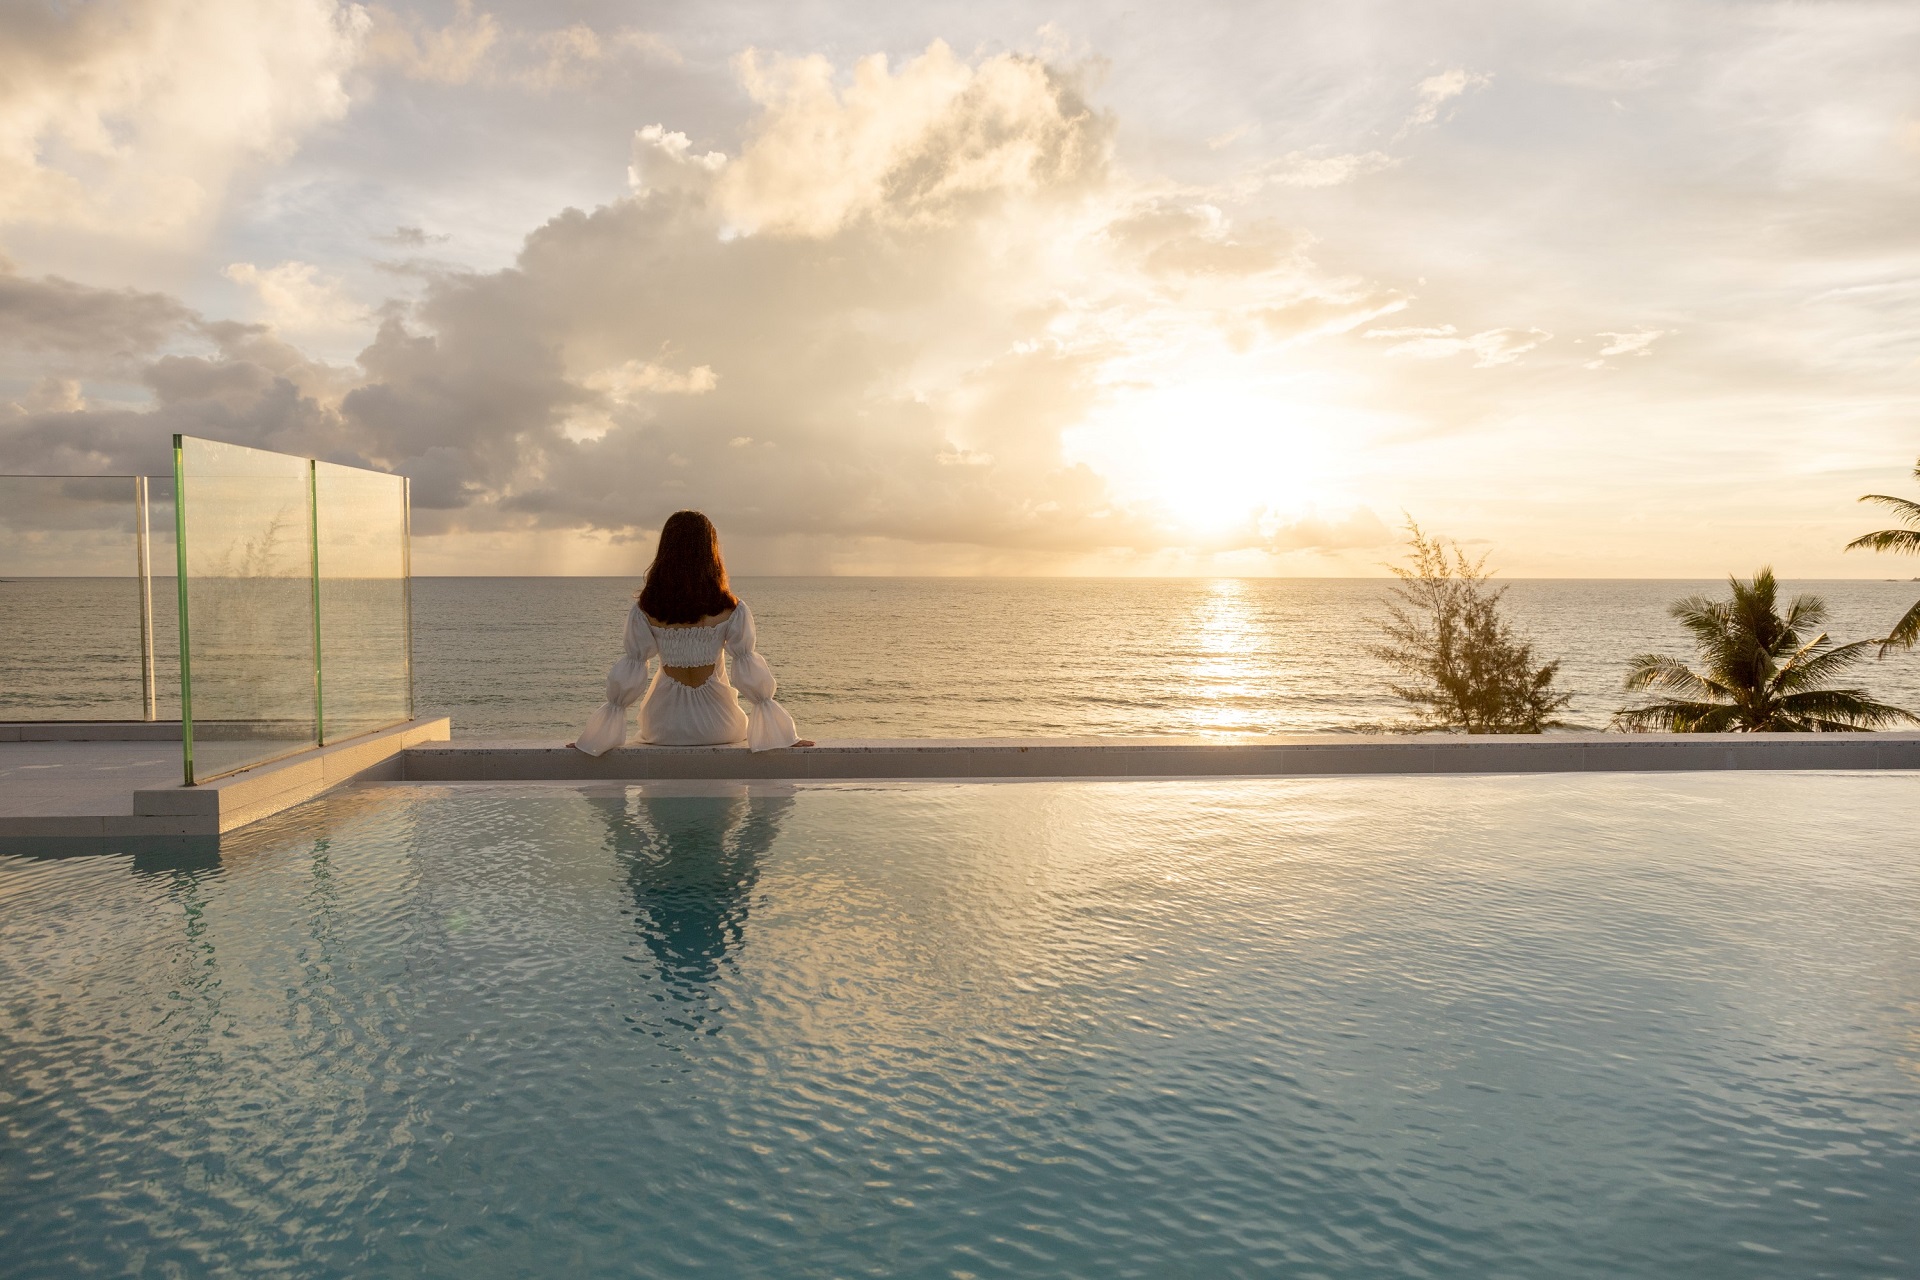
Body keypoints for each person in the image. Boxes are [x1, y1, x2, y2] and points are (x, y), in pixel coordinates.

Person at [571, 511, 812, 754]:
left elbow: (628, 677)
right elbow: (752, 676)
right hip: (719, 725)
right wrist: (783, 735)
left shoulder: (647, 609)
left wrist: (595, 738)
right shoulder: (730, 608)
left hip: (663, 727)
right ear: (710, 552)